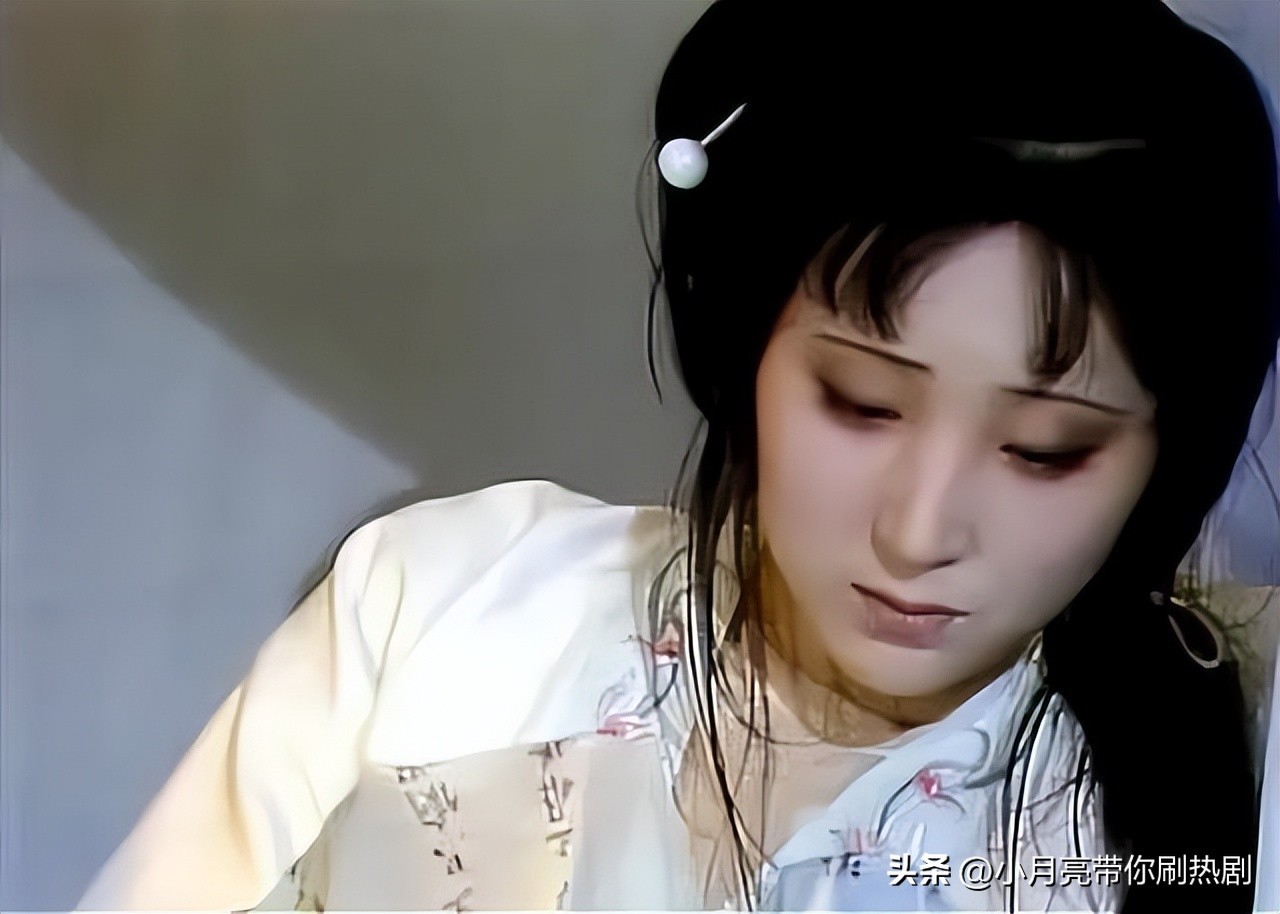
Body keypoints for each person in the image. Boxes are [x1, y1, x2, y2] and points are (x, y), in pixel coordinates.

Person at [77, 2, 1279, 912]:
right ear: (737, 344)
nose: (918, 531)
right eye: (860, 402)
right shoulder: (447, 610)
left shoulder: (1231, 776)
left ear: (1166, 453)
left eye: (1043, 450)